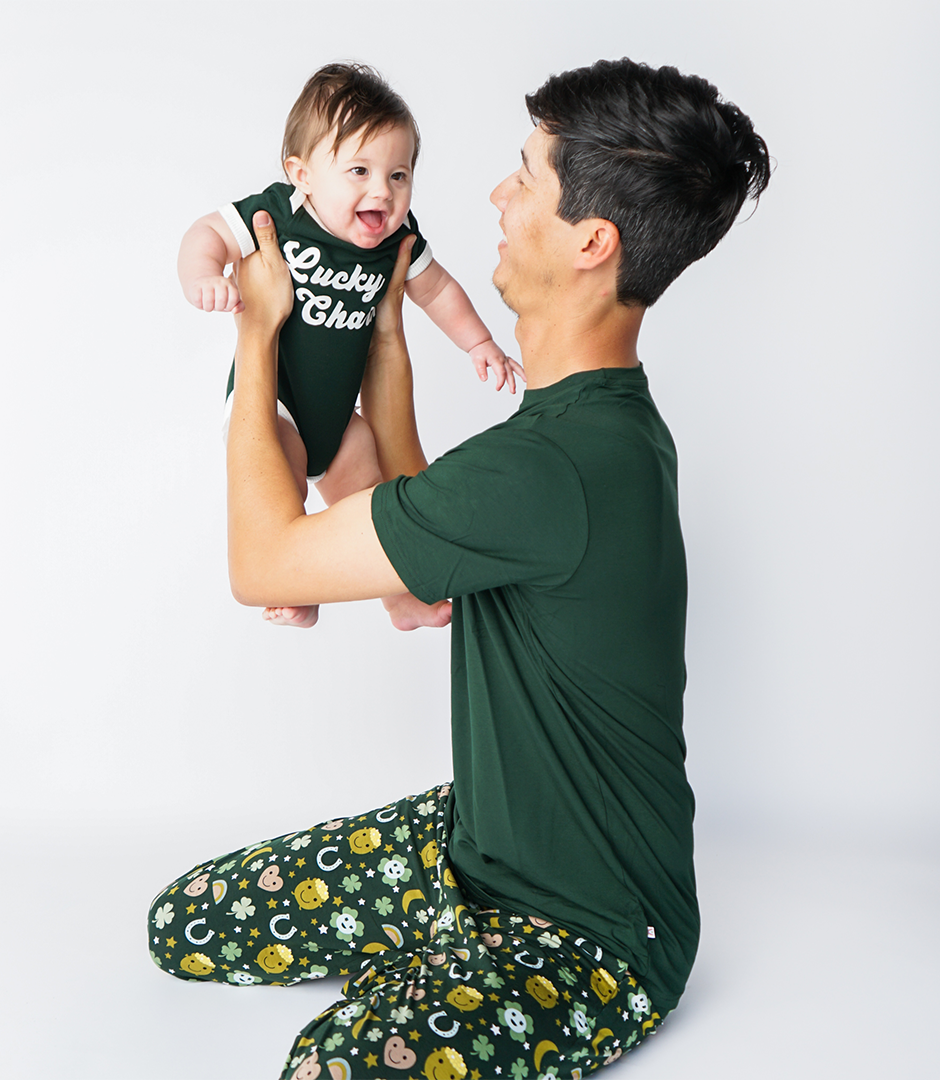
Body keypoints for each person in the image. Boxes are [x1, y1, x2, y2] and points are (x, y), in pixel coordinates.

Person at [150, 58, 770, 1079]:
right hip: (476, 842)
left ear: (592, 241)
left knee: (329, 1068)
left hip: (596, 930)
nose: (492, 194)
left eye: (524, 175)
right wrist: (389, 335)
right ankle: (438, 949)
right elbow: (427, 563)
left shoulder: (551, 466)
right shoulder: (582, 427)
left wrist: (261, 332)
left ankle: (446, 970)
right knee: (185, 923)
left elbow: (264, 565)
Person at [177, 63, 521, 630]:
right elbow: (206, 233)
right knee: (283, 485)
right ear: (303, 174)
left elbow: (436, 289)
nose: (381, 192)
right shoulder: (280, 214)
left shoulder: (396, 239)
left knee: (372, 495)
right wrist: (205, 276)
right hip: (274, 406)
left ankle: (401, 599)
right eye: (358, 170)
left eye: (399, 175)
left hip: (339, 418)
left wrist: (479, 342)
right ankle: (294, 579)